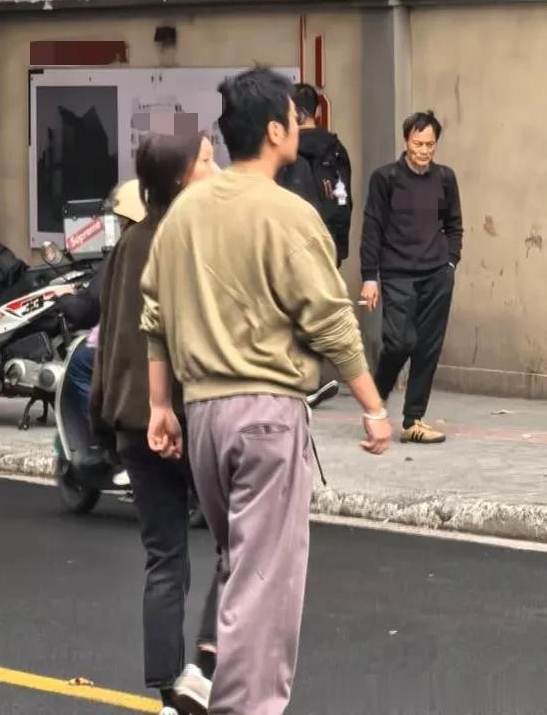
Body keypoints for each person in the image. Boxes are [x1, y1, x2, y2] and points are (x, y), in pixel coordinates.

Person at [141, 68, 391, 715]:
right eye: (295, 119)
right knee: (265, 587)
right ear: (276, 131)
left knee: (240, 567)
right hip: (267, 417)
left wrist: (161, 406)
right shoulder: (289, 214)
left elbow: (155, 315)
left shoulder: (186, 211)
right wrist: (372, 406)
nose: (302, 128)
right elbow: (330, 321)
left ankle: (212, 684)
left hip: (203, 416)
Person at [91, 133, 219, 715]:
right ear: (180, 177)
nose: (216, 168)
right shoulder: (190, 239)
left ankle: (170, 695)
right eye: (207, 160)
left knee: (164, 558)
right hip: (182, 419)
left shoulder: (130, 241)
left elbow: (109, 337)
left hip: (130, 420)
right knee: (241, 544)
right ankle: (206, 667)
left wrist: (105, 420)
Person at [360, 110, 463, 444]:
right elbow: (372, 228)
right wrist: (370, 277)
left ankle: (413, 420)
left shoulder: (445, 178)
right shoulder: (385, 178)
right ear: (406, 141)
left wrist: (450, 263)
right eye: (418, 143)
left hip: (437, 275)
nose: (424, 150)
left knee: (428, 347)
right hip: (397, 274)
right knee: (400, 341)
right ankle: (376, 396)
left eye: (430, 144)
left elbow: (453, 224)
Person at [276, 82, 354, 409]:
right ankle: (310, 378)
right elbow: (345, 200)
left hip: (291, 245)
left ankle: (298, 381)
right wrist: (338, 247)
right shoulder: (336, 150)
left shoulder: (284, 151)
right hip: (327, 244)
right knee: (316, 310)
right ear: (316, 112)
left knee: (286, 312)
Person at [59, 179, 145, 426]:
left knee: (78, 364)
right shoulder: (164, 237)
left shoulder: (129, 246)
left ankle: (101, 433)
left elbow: (90, 307)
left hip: (137, 342)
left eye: (119, 220)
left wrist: (64, 299)